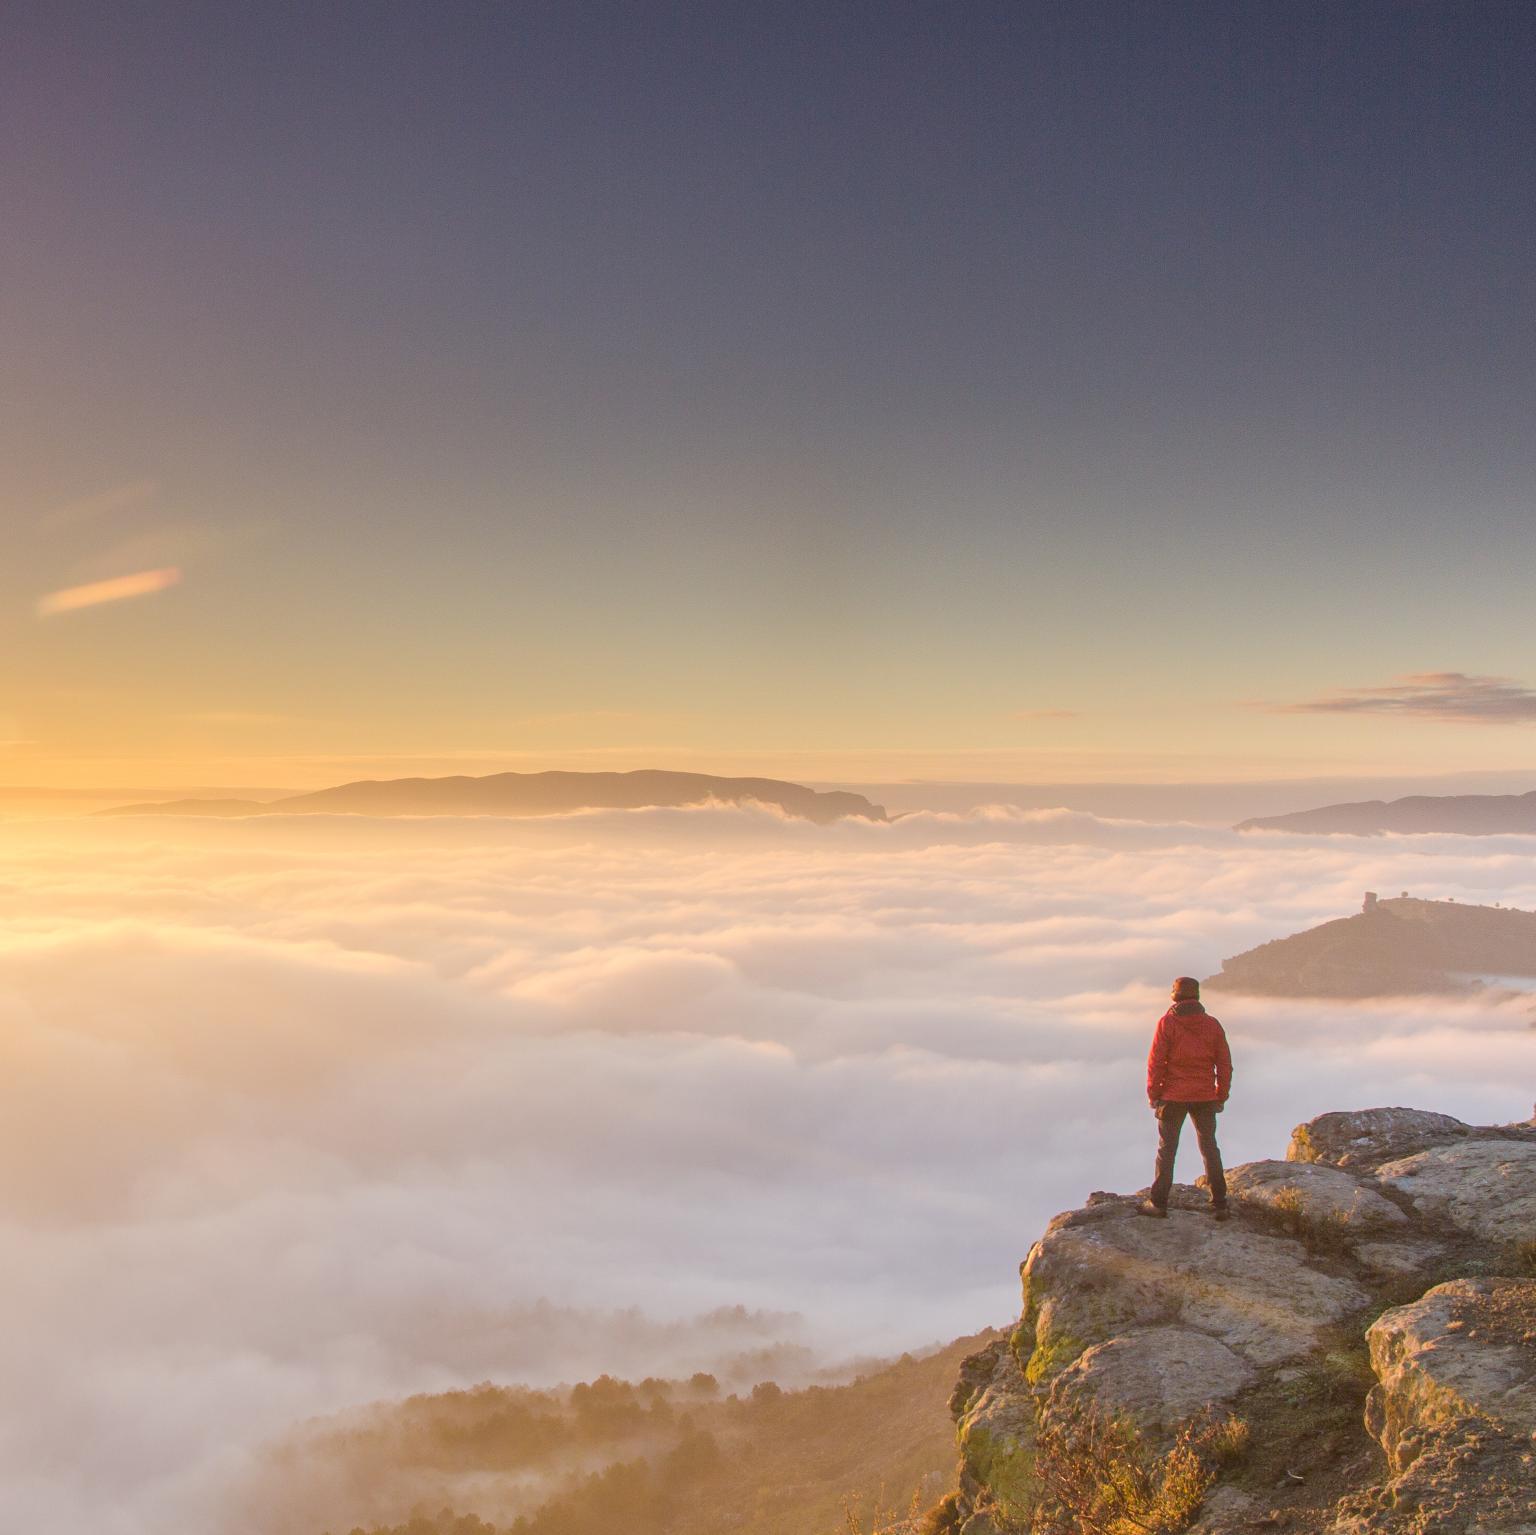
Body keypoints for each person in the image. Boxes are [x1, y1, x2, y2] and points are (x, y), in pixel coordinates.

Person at [1141, 976, 1232, 1219]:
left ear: (1176, 995)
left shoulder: (1167, 1023)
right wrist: (1220, 1095)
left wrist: (1154, 1094)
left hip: (1172, 1096)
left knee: (1167, 1150)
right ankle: (1220, 1204)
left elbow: (1156, 1062)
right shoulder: (1212, 1025)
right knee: (1209, 1147)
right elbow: (1224, 1063)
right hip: (1204, 1096)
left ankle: (1158, 1203)